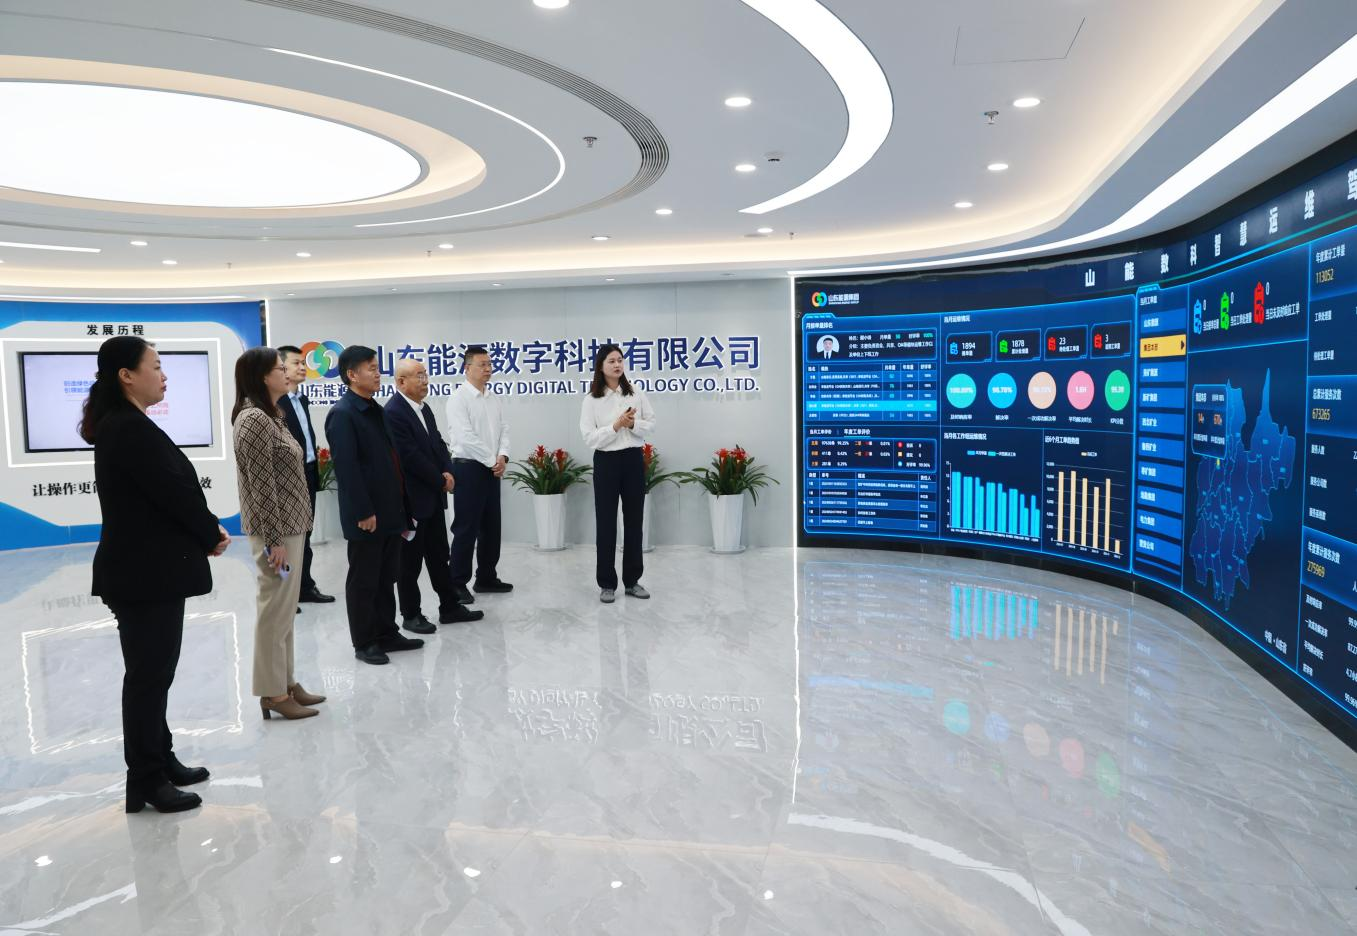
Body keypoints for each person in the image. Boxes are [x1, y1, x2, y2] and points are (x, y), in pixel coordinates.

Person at [83, 335, 231, 814]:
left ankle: (160, 759)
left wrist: (204, 530)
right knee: (148, 677)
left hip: (148, 572)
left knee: (156, 673)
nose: (164, 375)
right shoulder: (126, 428)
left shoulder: (128, 423)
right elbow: (172, 493)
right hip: (142, 575)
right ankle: (146, 778)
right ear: (127, 375)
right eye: (156, 366)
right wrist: (209, 531)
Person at [231, 347, 326, 720]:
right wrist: (273, 541)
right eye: (279, 368)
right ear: (261, 377)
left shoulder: (273, 414)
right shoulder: (254, 419)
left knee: (284, 610)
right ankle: (272, 693)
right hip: (278, 534)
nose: (286, 373)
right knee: (274, 610)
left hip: (290, 528)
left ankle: (286, 682)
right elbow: (261, 485)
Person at [324, 345, 426, 665]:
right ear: (352, 375)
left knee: (386, 576)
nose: (378, 373)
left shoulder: (375, 409)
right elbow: (348, 469)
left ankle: (386, 633)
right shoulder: (343, 414)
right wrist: (362, 511)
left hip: (390, 510)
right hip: (368, 515)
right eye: (371, 368)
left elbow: (390, 462)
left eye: (377, 367)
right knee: (364, 580)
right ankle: (365, 641)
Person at [384, 358, 484, 629]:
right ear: (401, 382)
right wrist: (440, 480)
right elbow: (409, 456)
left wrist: (448, 470)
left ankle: (449, 607)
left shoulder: (424, 408)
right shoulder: (393, 412)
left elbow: (437, 443)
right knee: (410, 563)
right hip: (412, 501)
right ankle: (411, 615)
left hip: (433, 498)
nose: (425, 380)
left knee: (439, 556)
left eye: (425, 374)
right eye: (419, 376)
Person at [580, 344, 655, 603]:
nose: (617, 365)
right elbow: (589, 438)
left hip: (633, 459)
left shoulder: (635, 392)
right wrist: (615, 426)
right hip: (606, 462)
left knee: (634, 521)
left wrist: (632, 424)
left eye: (620, 360)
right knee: (606, 523)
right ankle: (607, 583)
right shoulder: (591, 400)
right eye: (611, 361)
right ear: (601, 366)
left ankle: (632, 581)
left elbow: (651, 424)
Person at [445, 345, 513, 604]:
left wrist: (502, 456)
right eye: (482, 364)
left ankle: (486, 577)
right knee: (466, 528)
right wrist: (492, 460)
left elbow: (504, 429)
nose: (488, 369)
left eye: (489, 364)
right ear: (467, 368)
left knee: (491, 527)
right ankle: (457, 583)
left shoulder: (493, 397)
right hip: (468, 468)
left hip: (491, 468)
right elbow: (465, 437)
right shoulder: (458, 398)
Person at [276, 345, 335, 606]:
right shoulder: (274, 403)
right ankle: (284, 594)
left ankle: (304, 587)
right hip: (288, 478)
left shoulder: (301, 399)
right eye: (296, 363)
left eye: (303, 363)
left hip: (308, 471)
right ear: (281, 368)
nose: (303, 367)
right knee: (288, 537)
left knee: (305, 534)